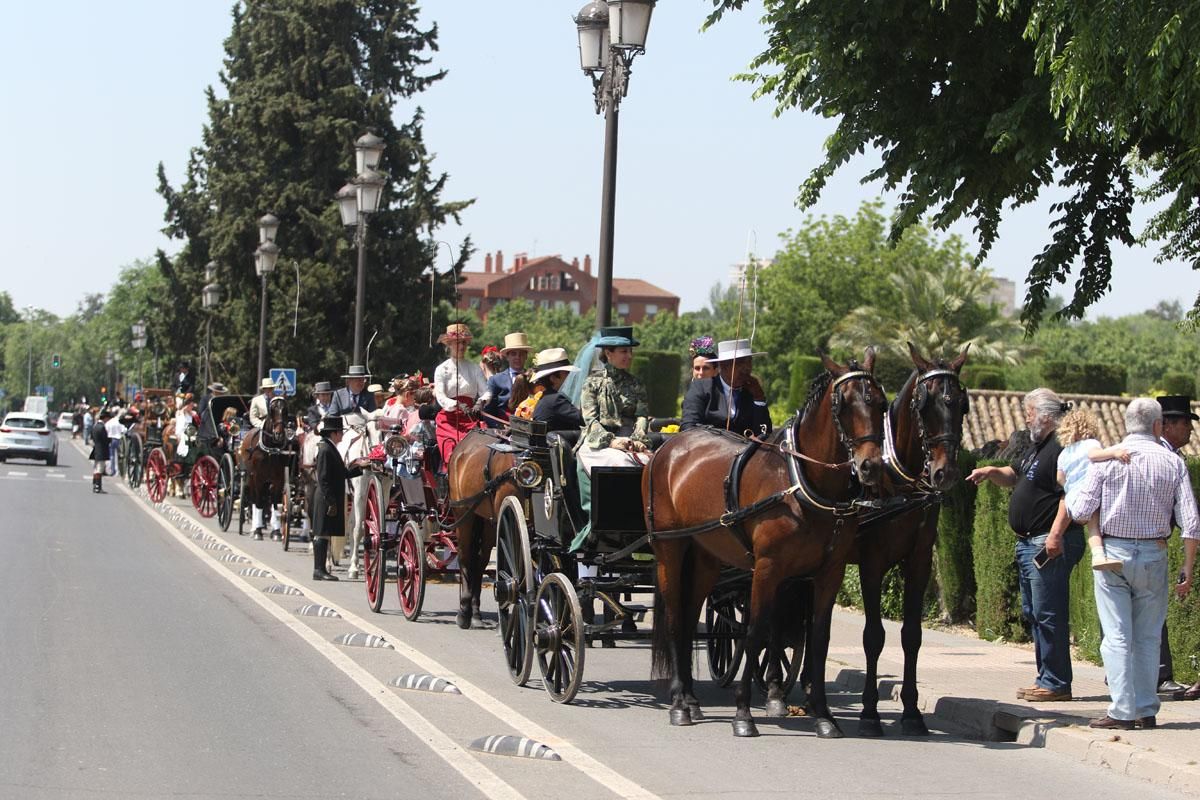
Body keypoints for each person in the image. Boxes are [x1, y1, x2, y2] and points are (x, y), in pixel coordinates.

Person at [1064, 398, 1200, 729]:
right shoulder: (1172, 462)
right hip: (1154, 553)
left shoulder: (1107, 460)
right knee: (1149, 636)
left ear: (1126, 424)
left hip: (1113, 554)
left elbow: (1080, 511)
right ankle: (1146, 708)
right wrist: (1188, 566)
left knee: (1116, 635)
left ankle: (1122, 711)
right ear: (1158, 426)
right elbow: (1191, 521)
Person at [967, 388, 1083, 703]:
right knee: (1035, 611)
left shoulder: (1062, 447)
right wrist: (992, 472)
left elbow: (1070, 494)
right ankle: (1046, 677)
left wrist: (1056, 534)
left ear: (1046, 415)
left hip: (1048, 541)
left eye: (1029, 412)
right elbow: (1015, 474)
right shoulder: (1037, 446)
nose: (1026, 417)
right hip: (1029, 543)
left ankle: (1056, 683)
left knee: (1049, 612)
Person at [572, 326, 651, 551]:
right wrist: (612, 441)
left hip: (631, 439)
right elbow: (590, 420)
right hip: (598, 439)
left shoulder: (636, 384)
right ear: (608, 353)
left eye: (630, 351)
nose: (629, 356)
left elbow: (642, 415)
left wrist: (638, 437)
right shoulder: (592, 383)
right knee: (608, 462)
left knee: (649, 463)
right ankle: (595, 523)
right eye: (623, 351)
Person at [1048, 407, 1129, 571]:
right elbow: (1094, 456)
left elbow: (1059, 478)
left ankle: (1098, 556)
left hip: (1073, 501)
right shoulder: (1091, 444)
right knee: (1095, 524)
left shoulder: (1063, 453)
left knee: (1092, 525)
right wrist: (1114, 452)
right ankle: (1100, 556)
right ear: (1088, 426)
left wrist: (1071, 486)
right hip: (1088, 493)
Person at [1157, 395, 1198, 698]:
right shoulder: (1166, 458)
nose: (1191, 430)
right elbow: (1188, 516)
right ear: (1167, 425)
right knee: (1151, 611)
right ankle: (1158, 675)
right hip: (1149, 543)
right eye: (1186, 423)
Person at [310, 415, 368, 581]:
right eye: (340, 432)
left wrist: (360, 468)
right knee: (321, 534)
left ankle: (320, 569)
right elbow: (323, 478)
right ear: (334, 433)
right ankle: (319, 569)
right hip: (326, 498)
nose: (342, 435)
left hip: (330, 496)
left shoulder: (330, 447)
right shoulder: (325, 449)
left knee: (325, 533)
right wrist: (331, 501)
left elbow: (342, 474)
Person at [681, 338, 772, 438]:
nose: (746, 368)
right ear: (723, 366)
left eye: (749, 362)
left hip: (746, 452)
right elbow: (689, 427)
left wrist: (759, 399)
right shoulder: (701, 387)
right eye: (740, 363)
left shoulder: (751, 391)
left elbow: (765, 433)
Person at [433, 323, 490, 466]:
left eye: (464, 342)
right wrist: (456, 404)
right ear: (449, 344)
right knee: (451, 454)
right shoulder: (442, 369)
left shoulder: (474, 368)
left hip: (470, 417)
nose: (462, 346)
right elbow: (440, 396)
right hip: (449, 420)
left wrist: (480, 402)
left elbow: (486, 391)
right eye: (458, 343)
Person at [514, 347, 583, 430]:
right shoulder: (555, 399)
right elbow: (583, 419)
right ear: (553, 378)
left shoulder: (546, 397)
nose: (569, 376)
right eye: (566, 373)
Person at [483, 331, 532, 425]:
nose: (517, 357)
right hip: (504, 432)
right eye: (513, 354)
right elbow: (488, 412)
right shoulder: (495, 380)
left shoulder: (533, 379)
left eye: (521, 354)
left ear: (526, 356)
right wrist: (499, 427)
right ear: (507, 356)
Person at [89, 411, 111, 494]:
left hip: (96, 449)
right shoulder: (102, 427)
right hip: (101, 450)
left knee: (96, 468)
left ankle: (95, 484)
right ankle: (98, 486)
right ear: (105, 418)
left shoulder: (95, 426)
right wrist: (110, 440)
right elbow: (105, 439)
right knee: (100, 469)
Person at [104, 406, 126, 477]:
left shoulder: (110, 421)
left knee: (112, 456)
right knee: (120, 456)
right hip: (118, 439)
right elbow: (124, 430)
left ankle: (113, 470)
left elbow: (105, 429)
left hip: (111, 439)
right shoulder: (120, 421)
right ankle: (119, 470)